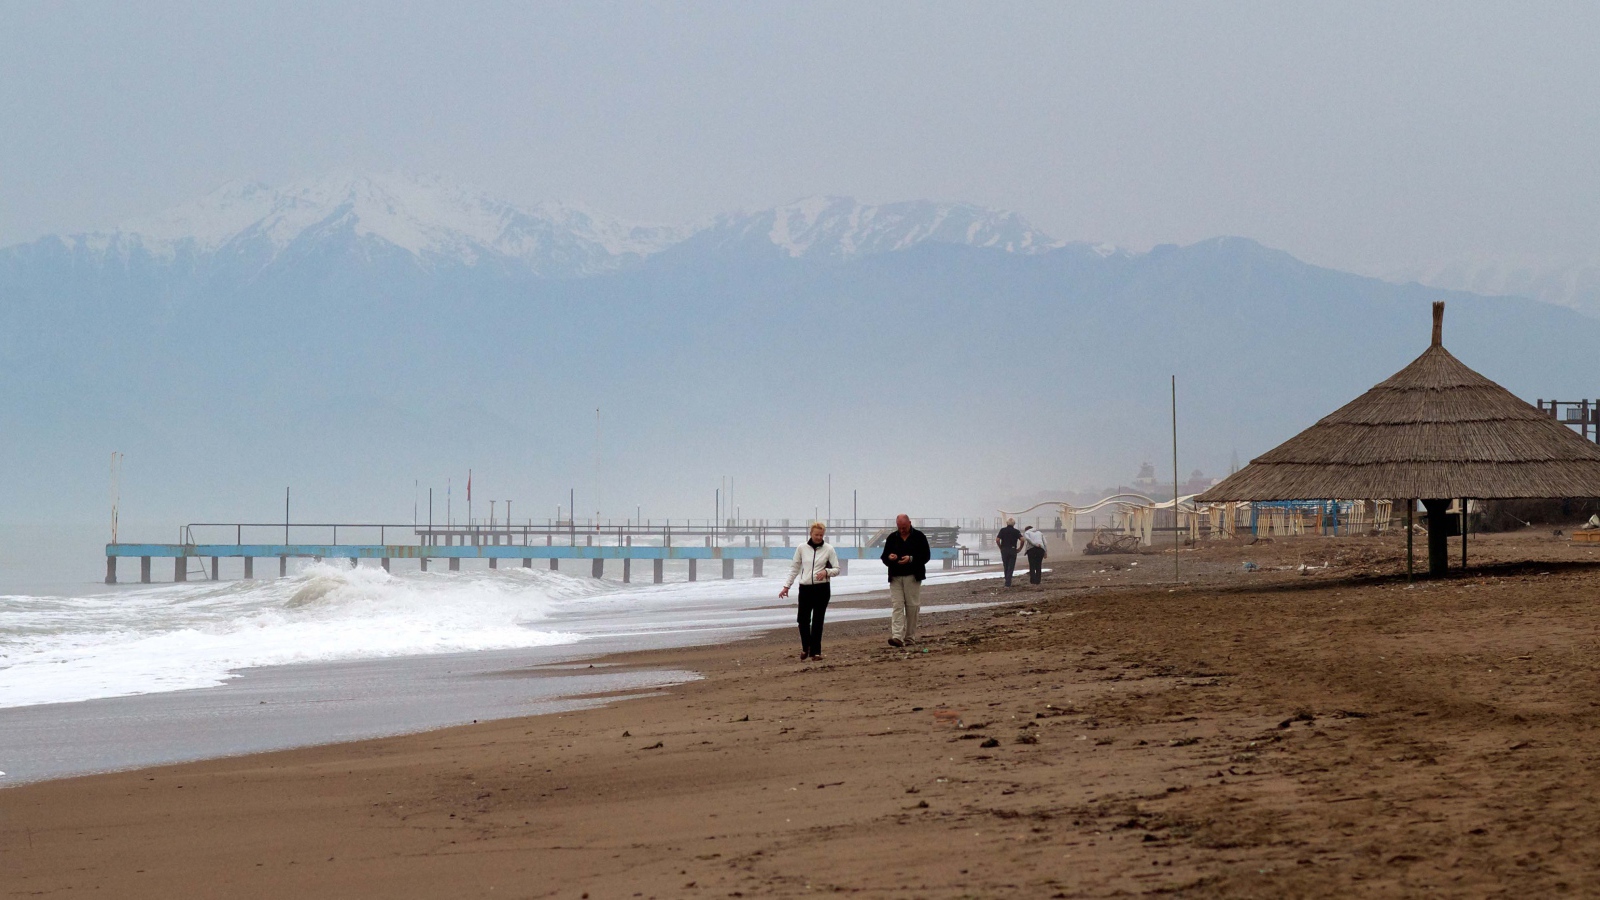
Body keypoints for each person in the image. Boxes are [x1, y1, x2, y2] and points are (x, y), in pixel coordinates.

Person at [779, 521, 840, 660]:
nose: (818, 537)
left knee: (818, 620)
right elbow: (794, 568)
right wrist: (786, 586)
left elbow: (837, 569)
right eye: (816, 534)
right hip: (805, 588)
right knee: (802, 620)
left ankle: (816, 652)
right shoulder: (802, 548)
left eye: (821, 535)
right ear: (811, 533)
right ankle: (806, 647)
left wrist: (826, 572)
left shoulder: (829, 549)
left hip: (822, 588)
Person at [879, 513, 931, 647]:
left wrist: (911, 558)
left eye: (904, 527)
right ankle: (897, 636)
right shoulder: (892, 537)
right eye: (899, 527)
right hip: (895, 577)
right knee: (897, 605)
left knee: (912, 607)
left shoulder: (919, 536)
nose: (902, 530)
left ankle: (909, 637)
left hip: (913, 576)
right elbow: (884, 557)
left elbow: (926, 556)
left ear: (909, 523)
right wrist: (889, 558)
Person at [995, 517, 1022, 587]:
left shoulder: (1002, 530)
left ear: (1007, 523)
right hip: (1013, 549)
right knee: (1011, 566)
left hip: (1004, 549)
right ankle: (1008, 582)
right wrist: (1020, 548)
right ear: (1014, 524)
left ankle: (1007, 580)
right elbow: (1022, 539)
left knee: (1006, 565)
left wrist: (1000, 547)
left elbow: (997, 540)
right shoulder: (1016, 531)